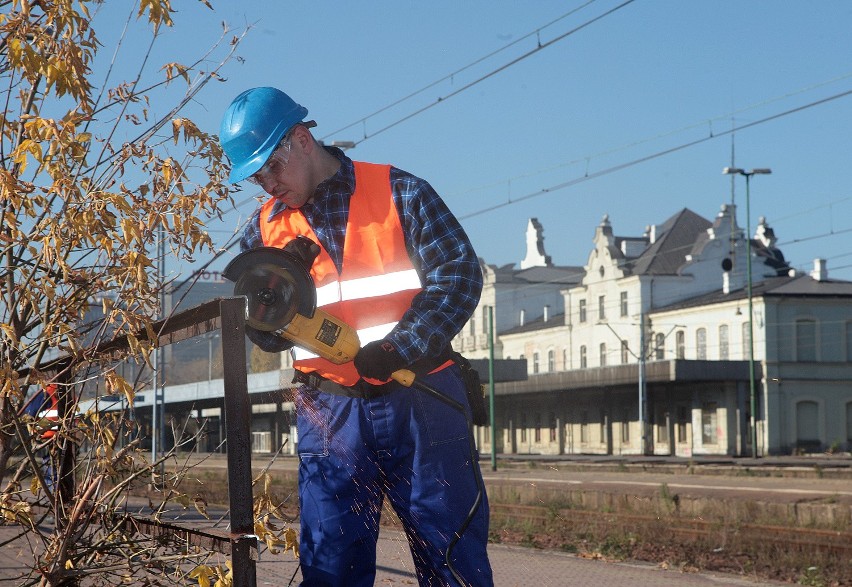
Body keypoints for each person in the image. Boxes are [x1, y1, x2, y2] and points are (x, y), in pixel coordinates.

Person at [219, 87, 493, 586]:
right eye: (257, 177)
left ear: (302, 139)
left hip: (420, 398)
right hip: (329, 414)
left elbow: (458, 276)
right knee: (331, 568)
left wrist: (398, 347)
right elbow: (270, 336)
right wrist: (265, 323)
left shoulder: (399, 192)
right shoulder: (262, 234)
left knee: (452, 560)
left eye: (273, 168)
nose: (268, 185)